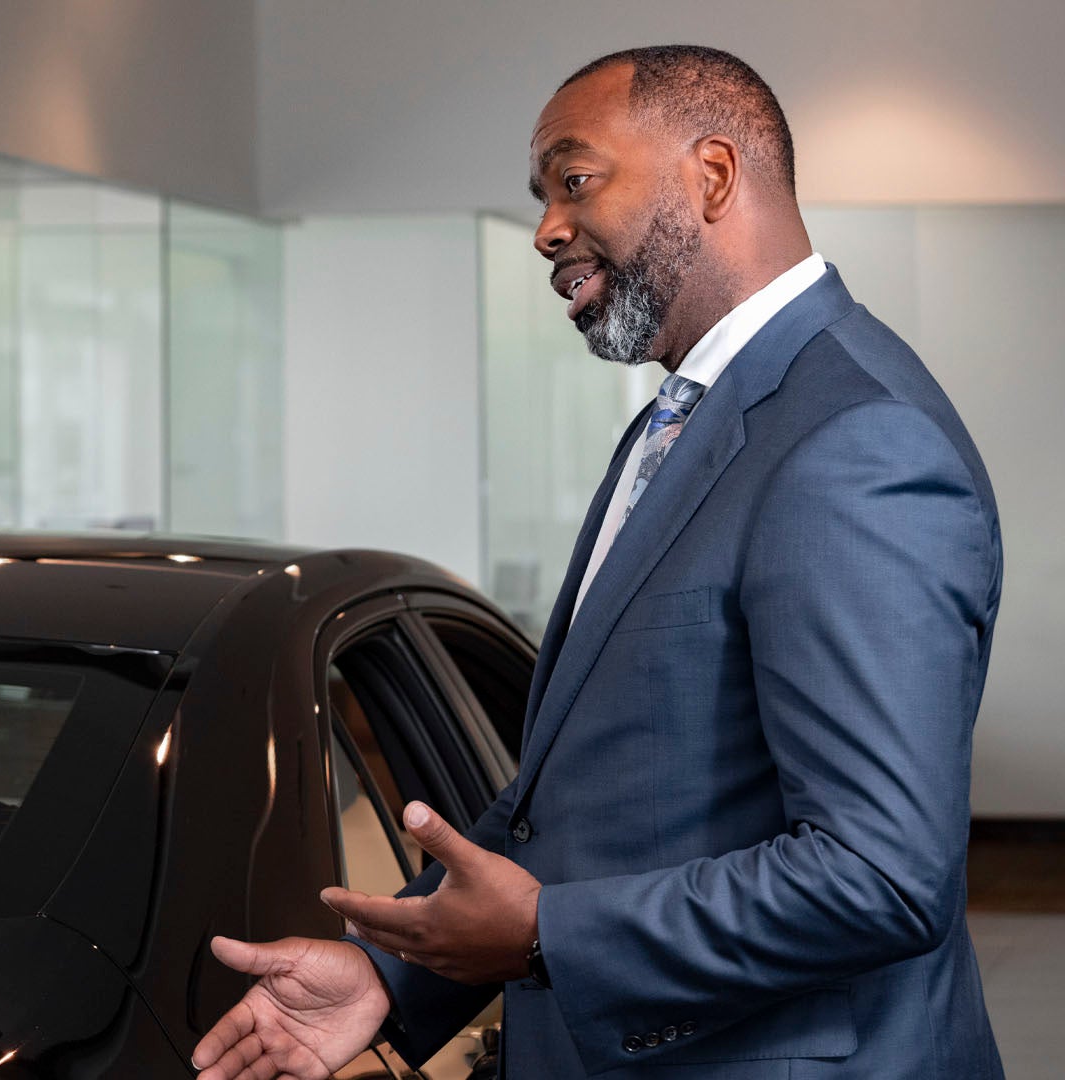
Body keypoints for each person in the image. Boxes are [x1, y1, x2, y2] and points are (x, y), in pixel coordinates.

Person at [193, 45, 1003, 1079]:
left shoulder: (853, 441)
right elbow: (578, 803)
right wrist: (396, 972)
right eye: (542, 196)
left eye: (575, 181)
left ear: (713, 177)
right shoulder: (685, 419)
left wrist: (543, 935)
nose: (545, 231)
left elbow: (880, 875)